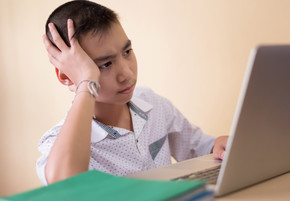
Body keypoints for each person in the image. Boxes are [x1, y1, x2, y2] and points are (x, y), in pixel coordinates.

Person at [36, 0, 228, 185]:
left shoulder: (152, 103)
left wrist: (218, 145)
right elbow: (66, 183)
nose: (126, 74)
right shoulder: (56, 142)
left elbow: (199, 147)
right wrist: (86, 82)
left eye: (127, 52)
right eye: (105, 64)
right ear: (66, 77)